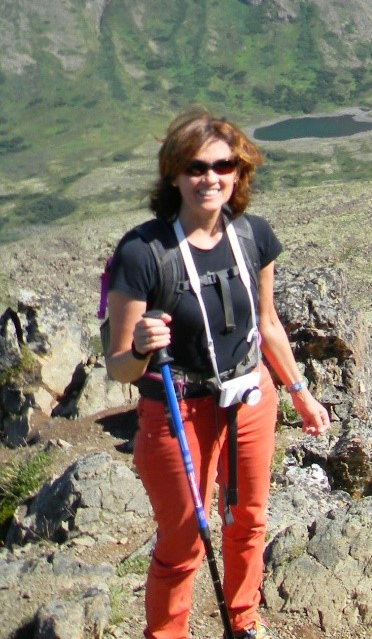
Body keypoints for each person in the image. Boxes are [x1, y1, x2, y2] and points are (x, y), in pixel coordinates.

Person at [105, 106, 330, 639]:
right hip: (176, 408)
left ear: (239, 172)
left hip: (250, 396)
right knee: (183, 539)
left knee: (248, 521)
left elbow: (269, 323)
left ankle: (243, 622)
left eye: (223, 166)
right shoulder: (142, 253)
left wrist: (298, 391)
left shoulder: (255, 237)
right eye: (196, 168)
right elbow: (118, 367)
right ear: (175, 176)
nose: (211, 178)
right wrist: (139, 347)